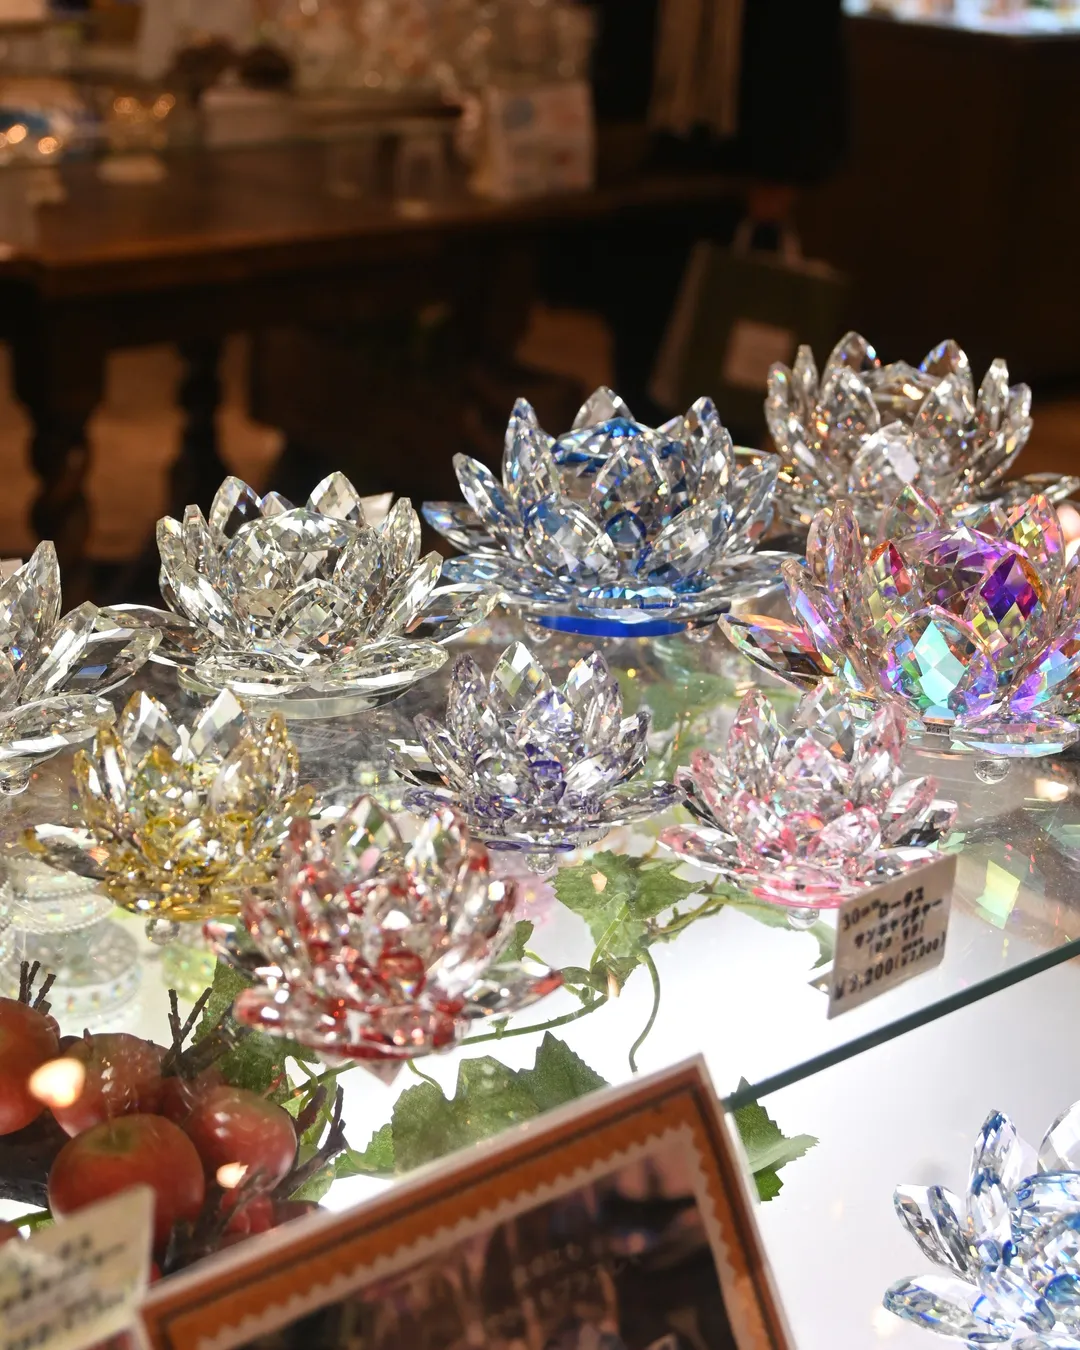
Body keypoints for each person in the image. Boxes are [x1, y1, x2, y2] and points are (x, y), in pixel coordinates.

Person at [546, 0, 848, 425]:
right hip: (643, 167)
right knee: (639, 337)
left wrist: (789, 169)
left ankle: (711, 451)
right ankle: (646, 447)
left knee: (722, 346)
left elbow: (809, 49)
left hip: (738, 174)